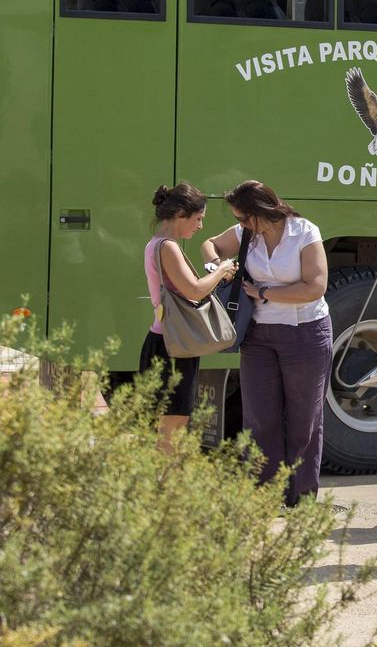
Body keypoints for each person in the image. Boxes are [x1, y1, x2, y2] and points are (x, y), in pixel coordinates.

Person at [202, 180, 331, 509]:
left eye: (243, 217)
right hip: (258, 334)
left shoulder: (304, 232)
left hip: (305, 331)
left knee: (305, 419)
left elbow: (314, 287)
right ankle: (265, 497)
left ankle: (302, 501)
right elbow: (210, 245)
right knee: (259, 417)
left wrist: (262, 293)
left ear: (261, 211)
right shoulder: (246, 233)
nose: (240, 223)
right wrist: (218, 267)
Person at [139, 183, 236, 455]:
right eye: (198, 219)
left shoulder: (156, 243)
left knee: (168, 420)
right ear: (181, 213)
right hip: (173, 344)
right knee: (175, 420)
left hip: (164, 339)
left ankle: (165, 481)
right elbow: (193, 289)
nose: (200, 226)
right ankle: (168, 485)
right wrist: (222, 269)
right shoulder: (167, 247)